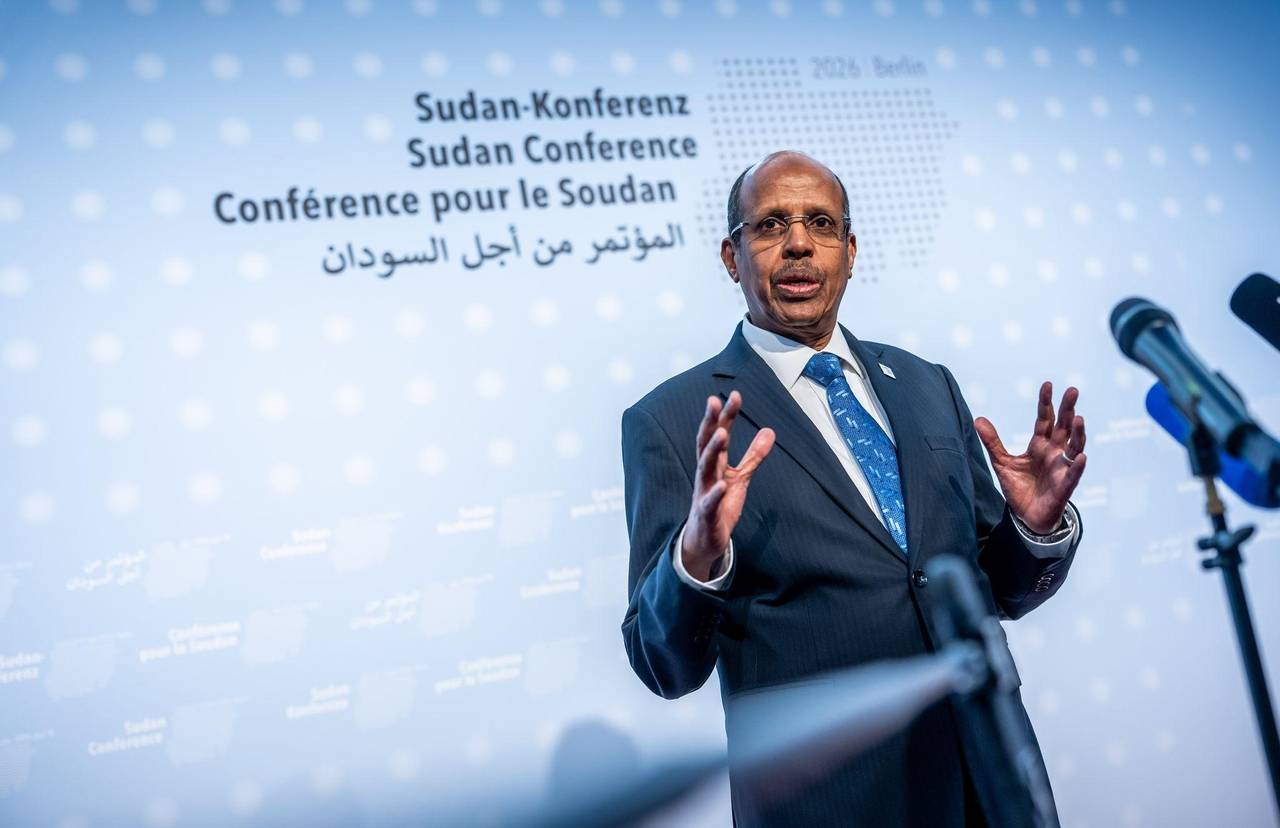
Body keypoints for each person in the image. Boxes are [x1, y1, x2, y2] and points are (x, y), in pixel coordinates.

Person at [620, 151, 1087, 827]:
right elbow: (662, 665)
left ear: (850, 250)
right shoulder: (672, 419)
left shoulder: (927, 383)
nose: (799, 243)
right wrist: (695, 560)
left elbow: (996, 592)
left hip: (992, 780)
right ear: (731, 257)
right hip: (830, 802)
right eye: (771, 225)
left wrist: (1034, 528)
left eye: (821, 223)